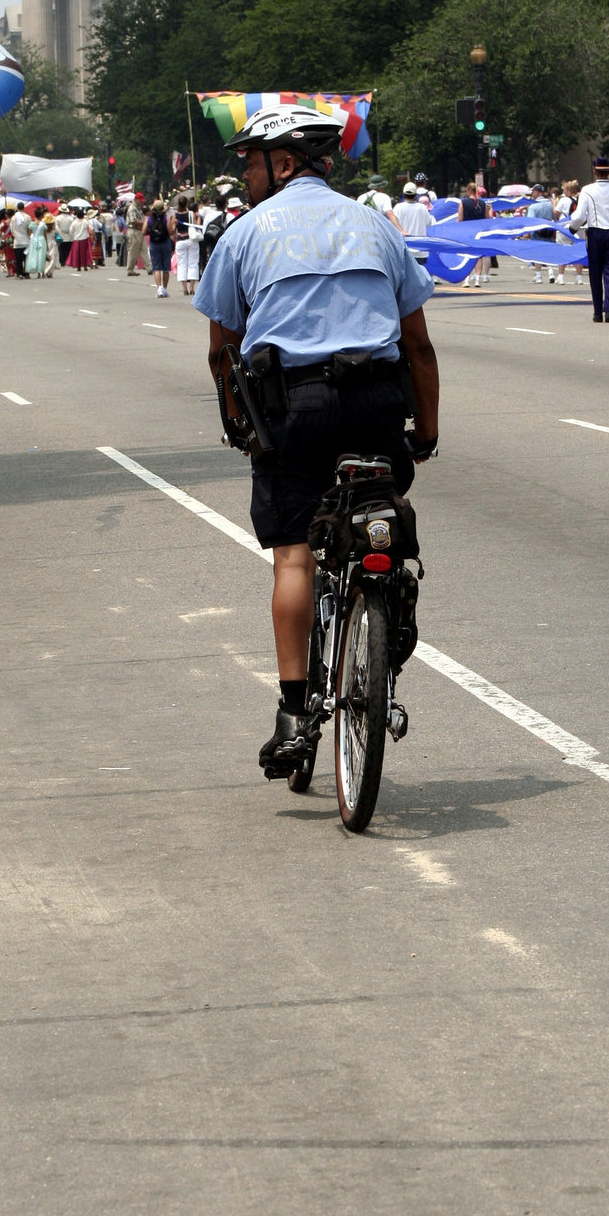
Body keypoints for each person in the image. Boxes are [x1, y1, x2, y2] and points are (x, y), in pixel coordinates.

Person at [193, 105, 439, 776]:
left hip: (293, 407)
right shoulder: (373, 225)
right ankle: (383, 593)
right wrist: (427, 429)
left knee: (295, 559)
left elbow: (223, 350)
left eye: (249, 162)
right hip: (378, 403)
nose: (244, 174)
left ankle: (294, 713)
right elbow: (417, 344)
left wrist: (241, 425)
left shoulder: (243, 235)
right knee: (377, 511)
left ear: (281, 163)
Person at [569, 155, 609, 323]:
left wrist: (573, 227)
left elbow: (580, 215)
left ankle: (597, 311)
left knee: (595, 273)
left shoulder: (587, 190)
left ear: (595, 172)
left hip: (595, 233)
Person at [391, 181, 434, 261]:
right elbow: (429, 223)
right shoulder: (422, 208)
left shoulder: (398, 208)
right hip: (421, 250)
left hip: (404, 250)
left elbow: (393, 225)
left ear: (404, 194)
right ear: (415, 194)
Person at [525, 183, 556, 283]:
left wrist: (527, 233)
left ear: (537, 192)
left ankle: (538, 276)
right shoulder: (549, 204)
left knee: (537, 254)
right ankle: (551, 272)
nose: (532, 194)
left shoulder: (533, 206)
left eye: (533, 191)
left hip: (537, 233)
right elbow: (553, 217)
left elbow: (531, 221)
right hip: (548, 232)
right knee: (549, 253)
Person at [145, 198, 173, 296]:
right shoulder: (166, 218)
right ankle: (164, 288)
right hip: (165, 242)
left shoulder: (149, 219)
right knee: (166, 268)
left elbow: (144, 231)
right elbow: (170, 232)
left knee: (156, 267)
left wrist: (151, 231)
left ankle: (159, 288)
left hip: (154, 243)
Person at [174, 195, 201, 296]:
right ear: (186, 204)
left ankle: (184, 288)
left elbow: (173, 228)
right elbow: (196, 226)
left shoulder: (175, 215)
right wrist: (198, 219)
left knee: (181, 264)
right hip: (191, 239)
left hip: (180, 240)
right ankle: (192, 287)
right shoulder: (191, 214)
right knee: (193, 263)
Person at [125, 191, 147, 274]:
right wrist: (144, 222)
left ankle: (149, 268)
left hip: (140, 230)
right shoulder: (132, 208)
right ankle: (130, 269)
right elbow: (133, 221)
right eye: (140, 200)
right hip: (134, 230)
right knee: (133, 251)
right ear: (136, 199)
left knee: (144, 249)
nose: (141, 202)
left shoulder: (138, 208)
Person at [25, 206, 48, 277]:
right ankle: (43, 272)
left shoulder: (31, 224)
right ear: (41, 215)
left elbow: (29, 234)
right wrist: (47, 244)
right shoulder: (43, 224)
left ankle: (38, 273)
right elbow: (45, 235)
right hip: (41, 239)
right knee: (42, 255)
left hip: (34, 240)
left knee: (35, 255)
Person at [9, 205, 31, 278]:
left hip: (17, 241)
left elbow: (11, 229)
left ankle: (19, 273)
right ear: (23, 208)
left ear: (17, 208)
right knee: (26, 259)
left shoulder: (13, 218)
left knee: (18, 259)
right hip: (26, 240)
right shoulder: (27, 217)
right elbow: (29, 229)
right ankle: (27, 273)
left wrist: (15, 235)